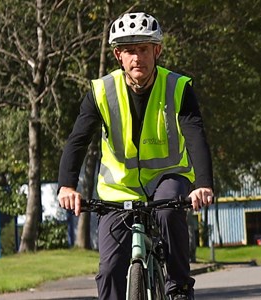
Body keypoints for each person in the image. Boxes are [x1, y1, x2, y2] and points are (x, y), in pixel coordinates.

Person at [57, 12, 214, 300]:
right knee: (110, 269)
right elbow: (77, 141)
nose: (136, 58)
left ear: (157, 50)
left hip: (168, 180)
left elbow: (195, 135)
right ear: (118, 54)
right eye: (129, 51)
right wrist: (67, 185)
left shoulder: (178, 87)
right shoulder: (101, 91)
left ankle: (179, 288)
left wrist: (203, 184)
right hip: (118, 190)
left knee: (167, 213)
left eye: (143, 49)